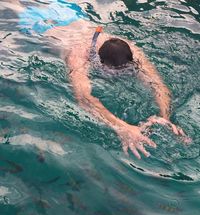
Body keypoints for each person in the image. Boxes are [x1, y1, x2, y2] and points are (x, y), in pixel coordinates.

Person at [7, 0, 186, 159]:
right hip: (43, 27)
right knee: (16, 6)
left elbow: (158, 86)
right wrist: (123, 127)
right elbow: (84, 98)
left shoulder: (130, 49)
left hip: (70, 12)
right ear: (99, 62)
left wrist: (165, 117)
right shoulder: (77, 55)